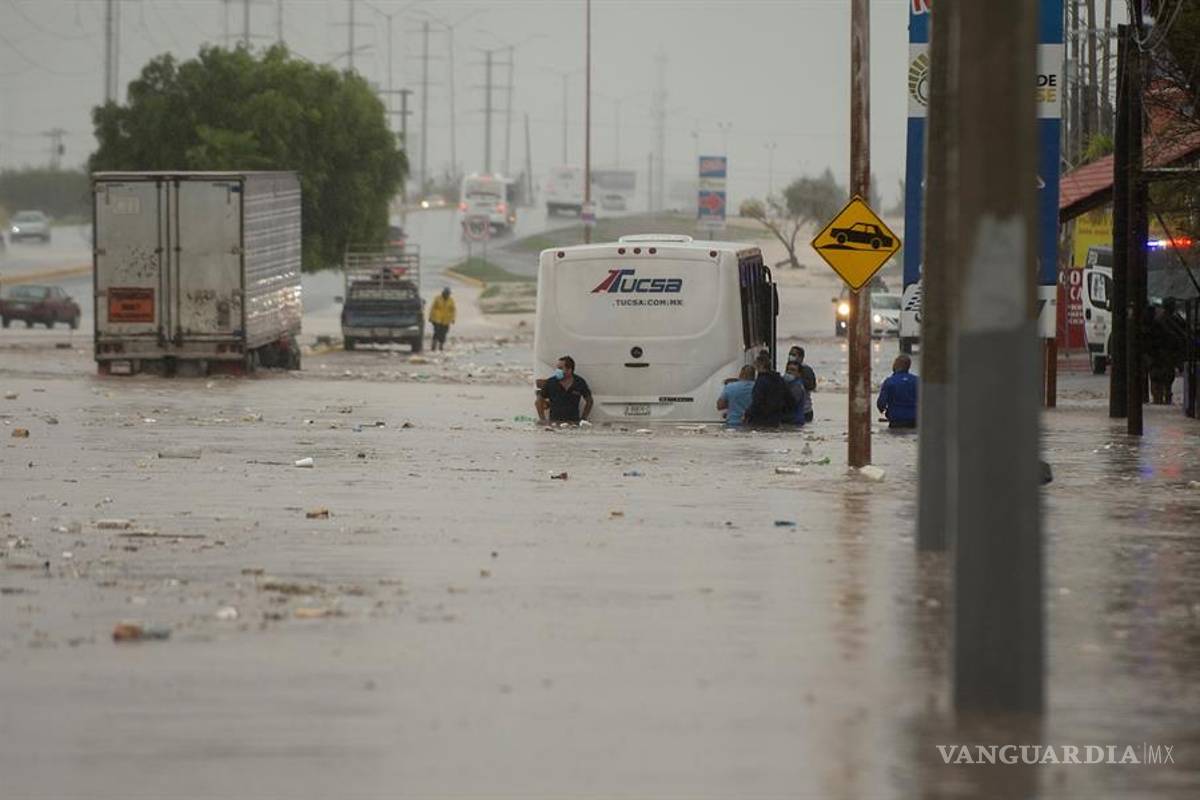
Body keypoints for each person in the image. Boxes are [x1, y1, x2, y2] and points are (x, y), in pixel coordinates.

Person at [745, 352, 797, 428]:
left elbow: (757, 401)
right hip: (775, 420)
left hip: (760, 420)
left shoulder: (761, 381)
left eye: (756, 366)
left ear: (761, 366)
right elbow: (791, 400)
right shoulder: (780, 380)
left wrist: (748, 414)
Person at [535, 355, 593, 424]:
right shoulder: (551, 382)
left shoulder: (579, 382)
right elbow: (538, 401)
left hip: (573, 423)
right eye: (557, 368)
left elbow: (589, 401)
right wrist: (542, 419)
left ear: (569, 370)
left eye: (560, 368)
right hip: (554, 423)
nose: (557, 370)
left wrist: (584, 418)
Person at [877, 354, 918, 429]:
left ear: (897, 365)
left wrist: (883, 410)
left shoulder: (889, 382)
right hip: (914, 419)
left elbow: (881, 403)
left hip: (896, 420)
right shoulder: (917, 381)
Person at [787, 345, 817, 422]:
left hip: (805, 410)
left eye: (794, 355)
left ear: (801, 357)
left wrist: (798, 379)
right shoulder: (789, 367)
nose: (791, 356)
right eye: (790, 354)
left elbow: (811, 386)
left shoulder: (806, 370)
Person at [782, 361, 809, 427]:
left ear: (799, 374)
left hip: (794, 422)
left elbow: (791, 403)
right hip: (790, 420)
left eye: (793, 370)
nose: (789, 372)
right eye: (787, 369)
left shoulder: (797, 386)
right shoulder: (789, 384)